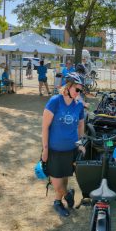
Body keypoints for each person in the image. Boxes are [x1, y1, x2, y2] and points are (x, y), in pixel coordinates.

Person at [41, 73, 87, 217]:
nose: (79, 93)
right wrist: (45, 149)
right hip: (54, 150)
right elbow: (45, 127)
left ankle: (58, 202)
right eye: (77, 89)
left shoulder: (79, 105)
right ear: (68, 87)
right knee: (57, 185)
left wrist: (80, 144)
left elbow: (80, 127)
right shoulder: (55, 101)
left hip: (71, 150)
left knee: (65, 177)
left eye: (81, 90)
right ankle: (68, 195)